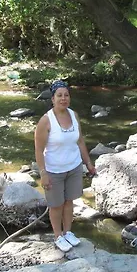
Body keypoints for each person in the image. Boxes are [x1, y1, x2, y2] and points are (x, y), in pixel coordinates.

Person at [35, 80, 96, 252]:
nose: (63, 98)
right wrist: (43, 173)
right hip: (54, 170)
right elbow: (38, 150)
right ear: (52, 99)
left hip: (74, 167)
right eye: (59, 95)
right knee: (56, 205)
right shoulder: (46, 121)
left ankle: (68, 232)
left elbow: (80, 141)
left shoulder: (74, 115)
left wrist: (88, 163)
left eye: (66, 95)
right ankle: (58, 236)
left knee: (69, 202)